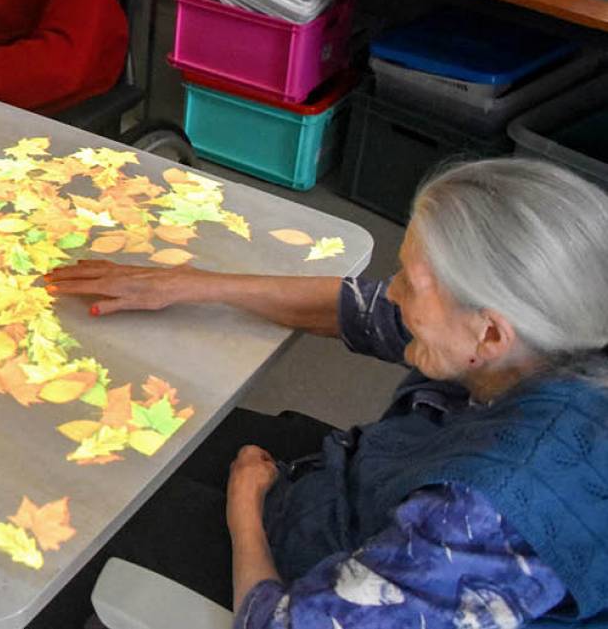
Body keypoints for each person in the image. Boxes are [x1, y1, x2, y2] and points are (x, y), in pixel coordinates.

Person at [45, 157, 608, 627]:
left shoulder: (482, 518)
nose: (391, 291)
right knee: (167, 429)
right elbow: (362, 311)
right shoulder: (552, 330)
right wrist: (186, 284)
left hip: (338, 567)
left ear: (489, 331)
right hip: (365, 478)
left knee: (87, 513)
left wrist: (246, 506)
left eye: (411, 282)